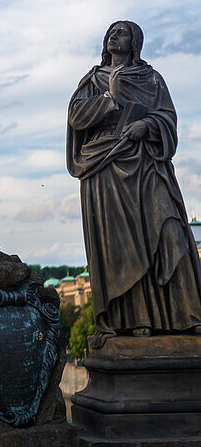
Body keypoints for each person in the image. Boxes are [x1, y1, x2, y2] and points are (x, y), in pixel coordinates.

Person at [67, 20, 201, 340]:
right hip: (106, 167)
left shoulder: (152, 78)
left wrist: (147, 126)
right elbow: (76, 117)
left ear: (135, 42)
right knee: (122, 248)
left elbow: (167, 117)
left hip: (147, 162)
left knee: (171, 230)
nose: (115, 36)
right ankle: (134, 318)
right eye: (111, 32)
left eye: (123, 32)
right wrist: (110, 98)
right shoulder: (94, 79)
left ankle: (187, 313)